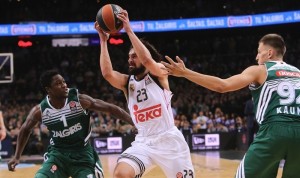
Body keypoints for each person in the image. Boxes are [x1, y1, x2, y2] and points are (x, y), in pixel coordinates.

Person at [162, 33, 300, 178]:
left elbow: (222, 86)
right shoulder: (298, 72)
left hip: (274, 131)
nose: (256, 57)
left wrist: (185, 73)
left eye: (259, 52)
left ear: (269, 53)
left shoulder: (260, 70)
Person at [95, 9, 195, 178]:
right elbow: (107, 74)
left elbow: (148, 61)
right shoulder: (128, 82)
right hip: (144, 142)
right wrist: (103, 41)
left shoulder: (160, 72)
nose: (130, 60)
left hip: (169, 141)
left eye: (134, 56)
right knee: (120, 174)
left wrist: (128, 29)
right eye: (129, 57)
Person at [7, 70, 134, 178]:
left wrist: (135, 124)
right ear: (48, 90)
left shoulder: (79, 101)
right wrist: (17, 156)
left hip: (82, 155)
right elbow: (25, 130)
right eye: (58, 83)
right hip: (57, 156)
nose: (63, 85)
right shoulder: (40, 111)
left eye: (63, 81)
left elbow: (112, 109)